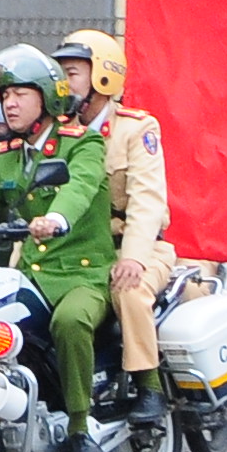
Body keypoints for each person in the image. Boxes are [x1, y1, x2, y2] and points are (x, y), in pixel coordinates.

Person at [0, 43, 117, 451]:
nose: (9, 104)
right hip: (32, 276)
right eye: (5, 95)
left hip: (82, 275)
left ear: (47, 97)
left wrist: (57, 219)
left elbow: (79, 187)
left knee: (69, 322)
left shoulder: (82, 143)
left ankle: (80, 428)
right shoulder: (8, 156)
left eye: (20, 94)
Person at [54, 29, 171, 390]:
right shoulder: (58, 133)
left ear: (103, 76)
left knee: (128, 290)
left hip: (134, 248)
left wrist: (134, 258)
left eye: (72, 74)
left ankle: (147, 385)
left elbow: (148, 201)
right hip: (77, 251)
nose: (63, 84)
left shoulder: (136, 129)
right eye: (60, 75)